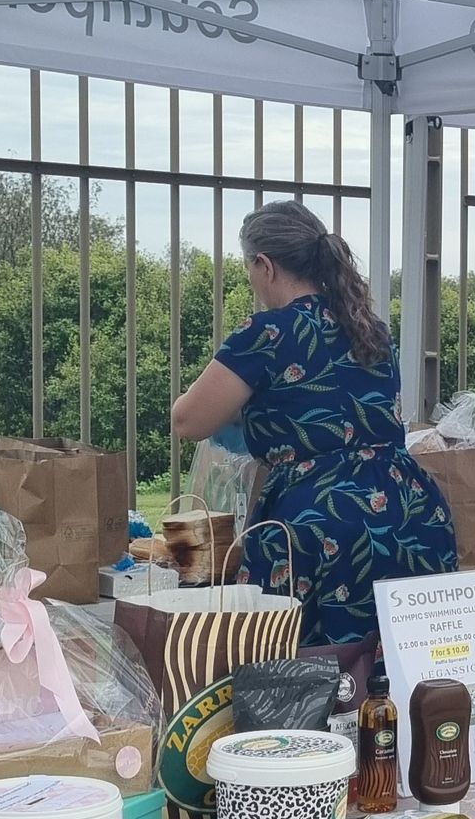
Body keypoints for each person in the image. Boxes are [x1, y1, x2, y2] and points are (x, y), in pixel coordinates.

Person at [171, 199, 458, 661]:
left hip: (321, 522)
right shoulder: (370, 328)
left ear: (264, 265)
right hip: (408, 508)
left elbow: (188, 420)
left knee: (306, 679)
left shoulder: (266, 334)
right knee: (407, 670)